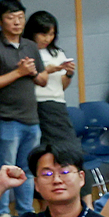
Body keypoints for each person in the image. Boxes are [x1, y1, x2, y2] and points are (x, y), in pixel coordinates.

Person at [0, 0, 44, 212]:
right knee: (5, 169)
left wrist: (32, 73)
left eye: (20, 17)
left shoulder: (30, 45)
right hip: (6, 119)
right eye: (10, 18)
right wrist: (19, 73)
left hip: (32, 118)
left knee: (28, 168)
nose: (16, 22)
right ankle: (2, 213)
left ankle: (25, 211)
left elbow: (42, 80)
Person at [23, 10, 75, 150]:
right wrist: (47, 70)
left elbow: (62, 85)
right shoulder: (26, 51)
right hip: (38, 103)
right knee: (48, 147)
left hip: (57, 103)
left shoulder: (57, 53)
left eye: (51, 34)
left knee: (66, 144)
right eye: (43, 34)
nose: (47, 39)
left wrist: (69, 74)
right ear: (33, 32)